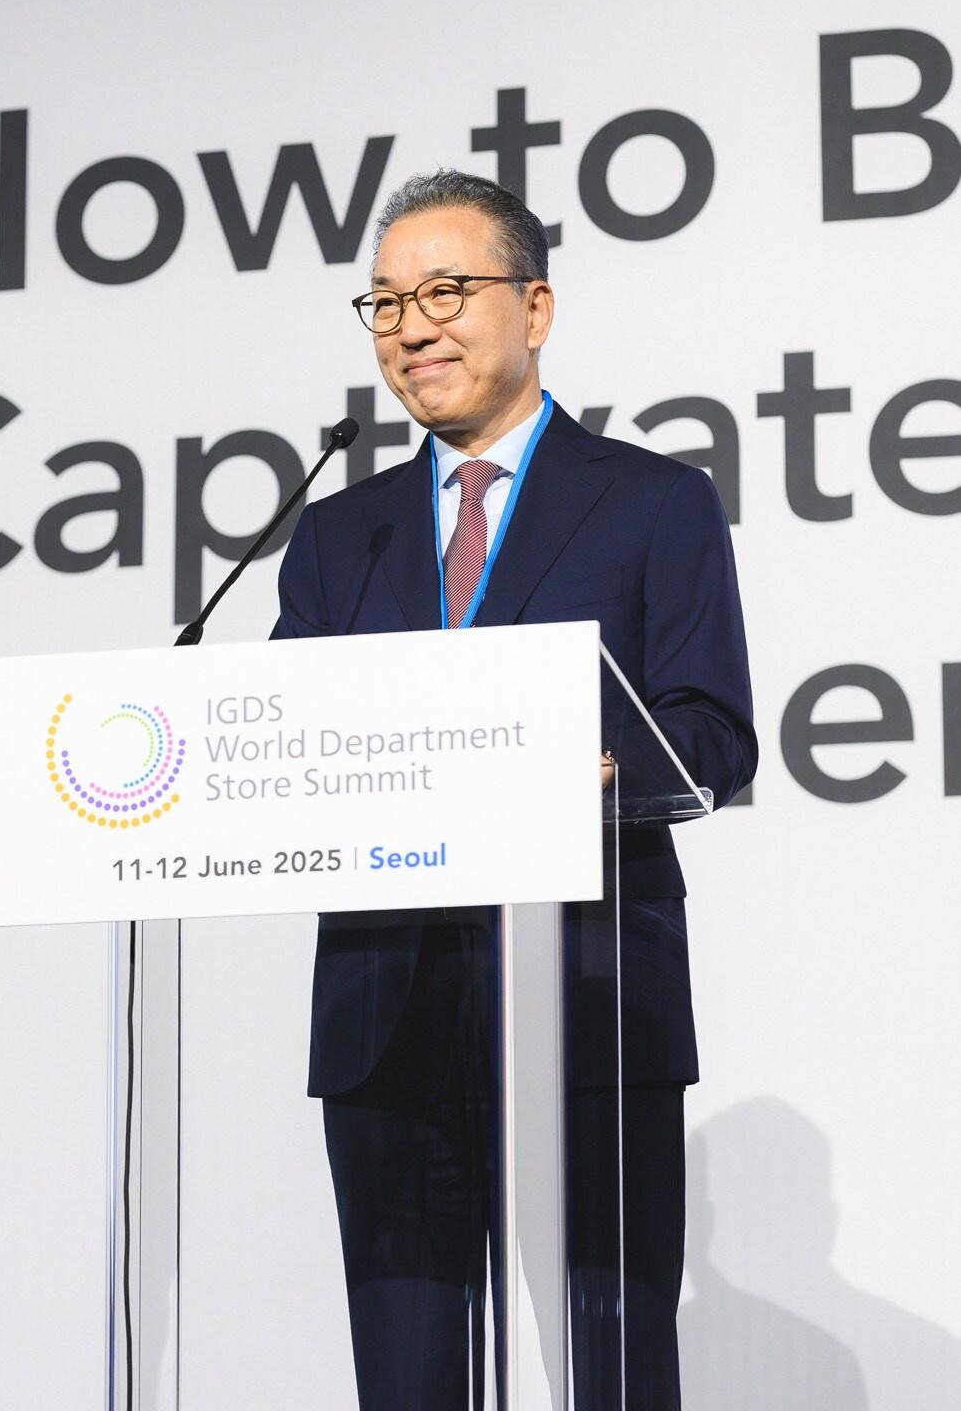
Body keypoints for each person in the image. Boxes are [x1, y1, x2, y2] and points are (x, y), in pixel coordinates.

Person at [271, 169, 756, 1410]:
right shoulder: (336, 534)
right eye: (385, 302)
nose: (410, 327)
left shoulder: (651, 500)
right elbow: (284, 742)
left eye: (444, 290)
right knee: (405, 1382)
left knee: (611, 1379)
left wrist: (587, 767)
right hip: (387, 1014)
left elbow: (712, 736)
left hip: (590, 996)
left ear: (533, 307)